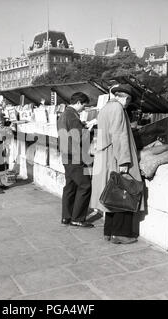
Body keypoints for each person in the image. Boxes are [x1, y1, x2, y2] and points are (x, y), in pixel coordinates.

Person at [90, 84, 143, 244]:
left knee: (111, 195)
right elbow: (119, 135)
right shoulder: (118, 109)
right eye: (128, 100)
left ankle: (109, 231)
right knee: (124, 193)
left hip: (105, 157)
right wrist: (124, 161)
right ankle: (121, 234)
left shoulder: (105, 108)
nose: (128, 103)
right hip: (115, 157)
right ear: (125, 97)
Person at [57, 92, 93, 228]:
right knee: (85, 185)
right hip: (74, 154)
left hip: (66, 154)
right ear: (78, 102)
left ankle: (66, 216)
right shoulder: (72, 115)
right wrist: (88, 129)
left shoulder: (64, 114)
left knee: (70, 186)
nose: (84, 108)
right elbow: (78, 136)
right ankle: (77, 218)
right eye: (83, 105)